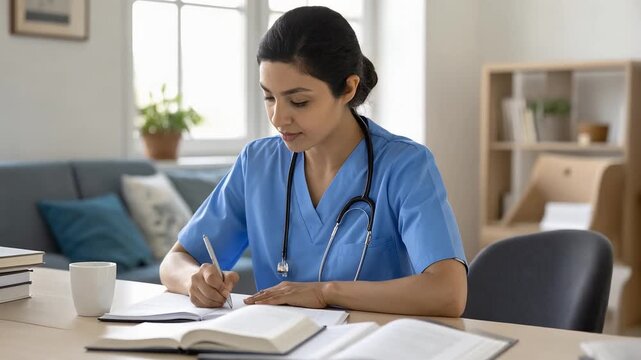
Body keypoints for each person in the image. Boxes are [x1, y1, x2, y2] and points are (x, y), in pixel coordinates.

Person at [159, 6, 467, 317]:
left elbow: (448, 293)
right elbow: (175, 261)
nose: (279, 117)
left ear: (348, 88)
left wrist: (324, 292)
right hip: (277, 344)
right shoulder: (257, 164)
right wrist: (193, 281)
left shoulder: (406, 166)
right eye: (269, 97)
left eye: (299, 101)